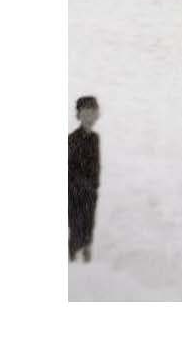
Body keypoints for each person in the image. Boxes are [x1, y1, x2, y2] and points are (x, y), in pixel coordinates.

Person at [69, 95, 101, 262]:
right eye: (86, 113)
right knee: (76, 230)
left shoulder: (95, 139)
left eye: (93, 113)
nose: (90, 117)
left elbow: (96, 167)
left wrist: (94, 187)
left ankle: (87, 257)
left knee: (88, 228)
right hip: (75, 194)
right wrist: (81, 187)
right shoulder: (72, 140)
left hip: (90, 194)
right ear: (79, 115)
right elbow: (70, 170)